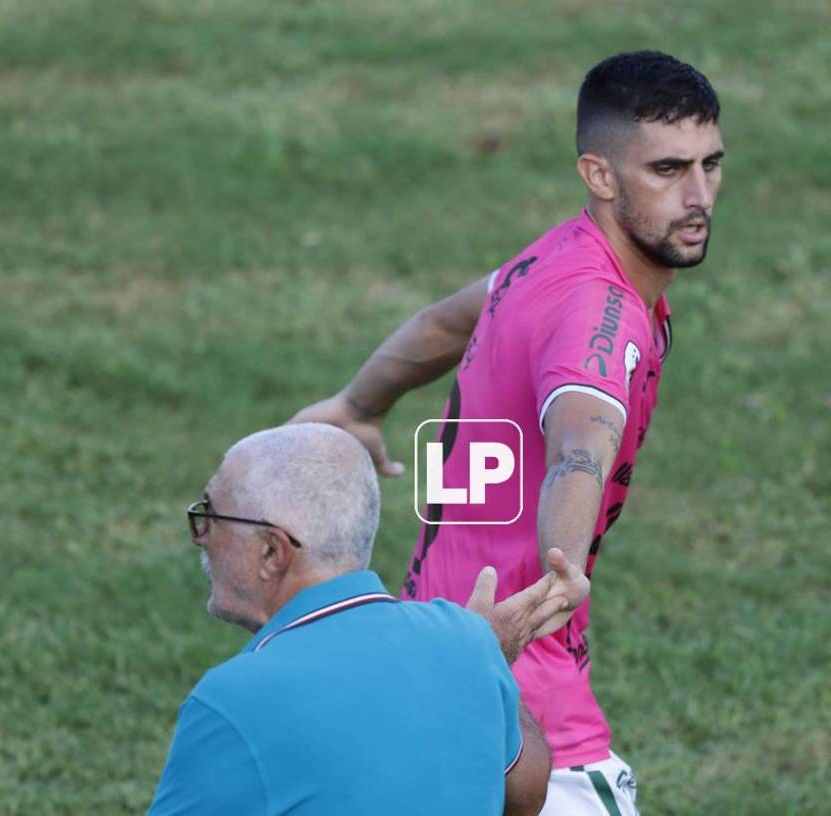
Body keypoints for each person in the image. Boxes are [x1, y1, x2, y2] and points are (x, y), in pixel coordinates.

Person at [288, 50, 724, 814]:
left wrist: (359, 404)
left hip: (429, 656)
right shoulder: (603, 311)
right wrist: (564, 570)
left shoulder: (546, 262)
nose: (698, 196)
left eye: (709, 165)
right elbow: (580, 445)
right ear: (600, 175)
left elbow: (441, 323)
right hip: (524, 701)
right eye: (666, 170)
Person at [149, 423, 588, 815]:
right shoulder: (467, 642)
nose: (202, 537)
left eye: (212, 515)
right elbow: (527, 795)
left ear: (272, 552)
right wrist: (486, 658)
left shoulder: (231, 702)